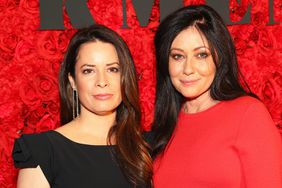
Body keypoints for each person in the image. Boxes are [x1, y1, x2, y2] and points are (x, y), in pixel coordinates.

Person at [151, 4, 282, 188]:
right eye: (178, 56)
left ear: (219, 58)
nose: (188, 69)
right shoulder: (166, 124)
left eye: (201, 55)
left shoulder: (248, 114)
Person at [12, 24, 152, 188]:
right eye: (88, 71)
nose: (102, 81)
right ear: (73, 82)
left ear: (125, 77)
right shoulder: (43, 151)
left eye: (113, 69)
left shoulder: (145, 147)